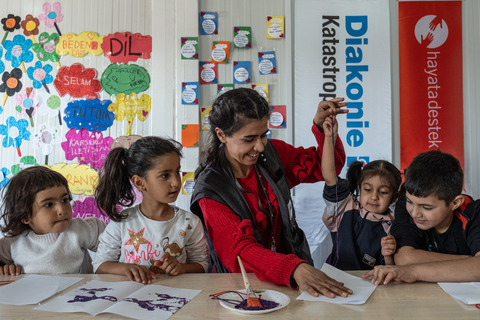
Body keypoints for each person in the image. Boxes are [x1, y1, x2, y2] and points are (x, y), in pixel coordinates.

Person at [191, 88, 352, 298]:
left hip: (288, 281)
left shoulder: (272, 155)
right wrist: (294, 268)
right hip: (243, 288)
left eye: (263, 135)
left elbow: (326, 167)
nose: (259, 147)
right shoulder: (211, 190)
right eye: (249, 139)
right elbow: (240, 251)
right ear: (221, 134)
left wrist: (323, 131)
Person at [94, 136, 209, 284]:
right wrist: (125, 269)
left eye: (177, 172)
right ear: (139, 182)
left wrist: (182, 268)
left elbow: (203, 265)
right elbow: (99, 265)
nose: (175, 182)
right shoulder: (122, 222)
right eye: (165, 175)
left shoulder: (190, 223)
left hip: (175, 298)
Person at [363, 150, 480, 285]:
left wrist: (414, 272)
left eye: (427, 208)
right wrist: (469, 261)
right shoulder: (404, 206)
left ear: (455, 203)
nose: (415, 213)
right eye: (410, 202)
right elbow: (404, 259)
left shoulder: (474, 213)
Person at [321, 114, 402, 270]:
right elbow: (330, 177)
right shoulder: (345, 207)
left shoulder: (394, 226)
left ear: (394, 197)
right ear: (360, 187)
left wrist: (388, 255)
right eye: (367, 189)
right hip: (335, 281)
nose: (374, 197)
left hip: (371, 286)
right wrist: (329, 138)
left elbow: (391, 270)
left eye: (383, 192)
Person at [0, 166, 106, 275]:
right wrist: (5, 268)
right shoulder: (13, 243)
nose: (61, 210)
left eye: (65, 200)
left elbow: (115, 243)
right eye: (48, 204)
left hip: (81, 291)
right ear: (26, 216)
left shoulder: (79, 229)